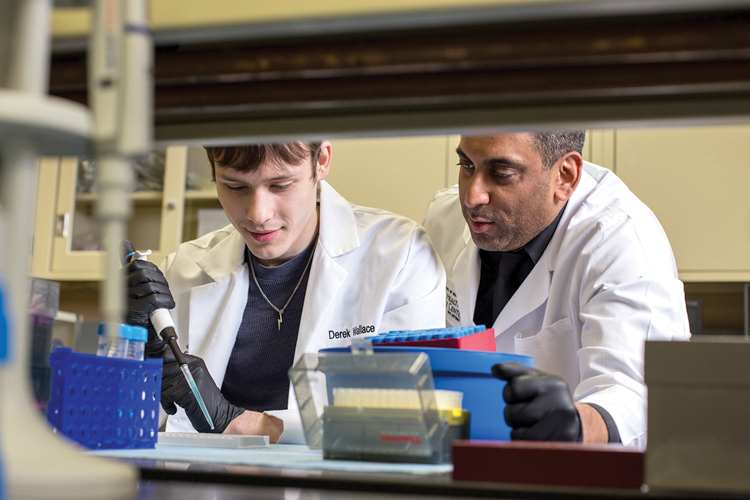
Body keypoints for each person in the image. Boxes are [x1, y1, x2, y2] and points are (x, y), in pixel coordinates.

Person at [123, 141, 446, 443]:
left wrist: (237, 422)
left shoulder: (398, 255)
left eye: (280, 185)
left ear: (321, 161)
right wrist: (134, 347)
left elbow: (403, 423)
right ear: (213, 172)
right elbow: (131, 421)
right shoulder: (182, 270)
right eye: (236, 187)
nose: (258, 214)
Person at [422, 132, 691, 450]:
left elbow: (635, 394)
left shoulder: (622, 241)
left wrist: (575, 424)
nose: (472, 197)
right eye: (466, 165)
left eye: (501, 173)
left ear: (564, 176)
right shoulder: (446, 218)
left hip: (574, 471)